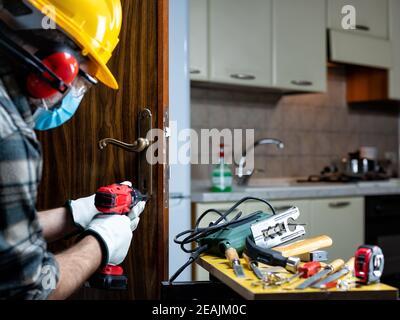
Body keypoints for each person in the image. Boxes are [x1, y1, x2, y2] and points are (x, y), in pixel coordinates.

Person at [0, 0, 145, 299]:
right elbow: (30, 292)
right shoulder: (9, 134)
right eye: (84, 81)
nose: (78, 94)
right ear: (60, 63)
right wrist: (101, 241)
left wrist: (76, 214)